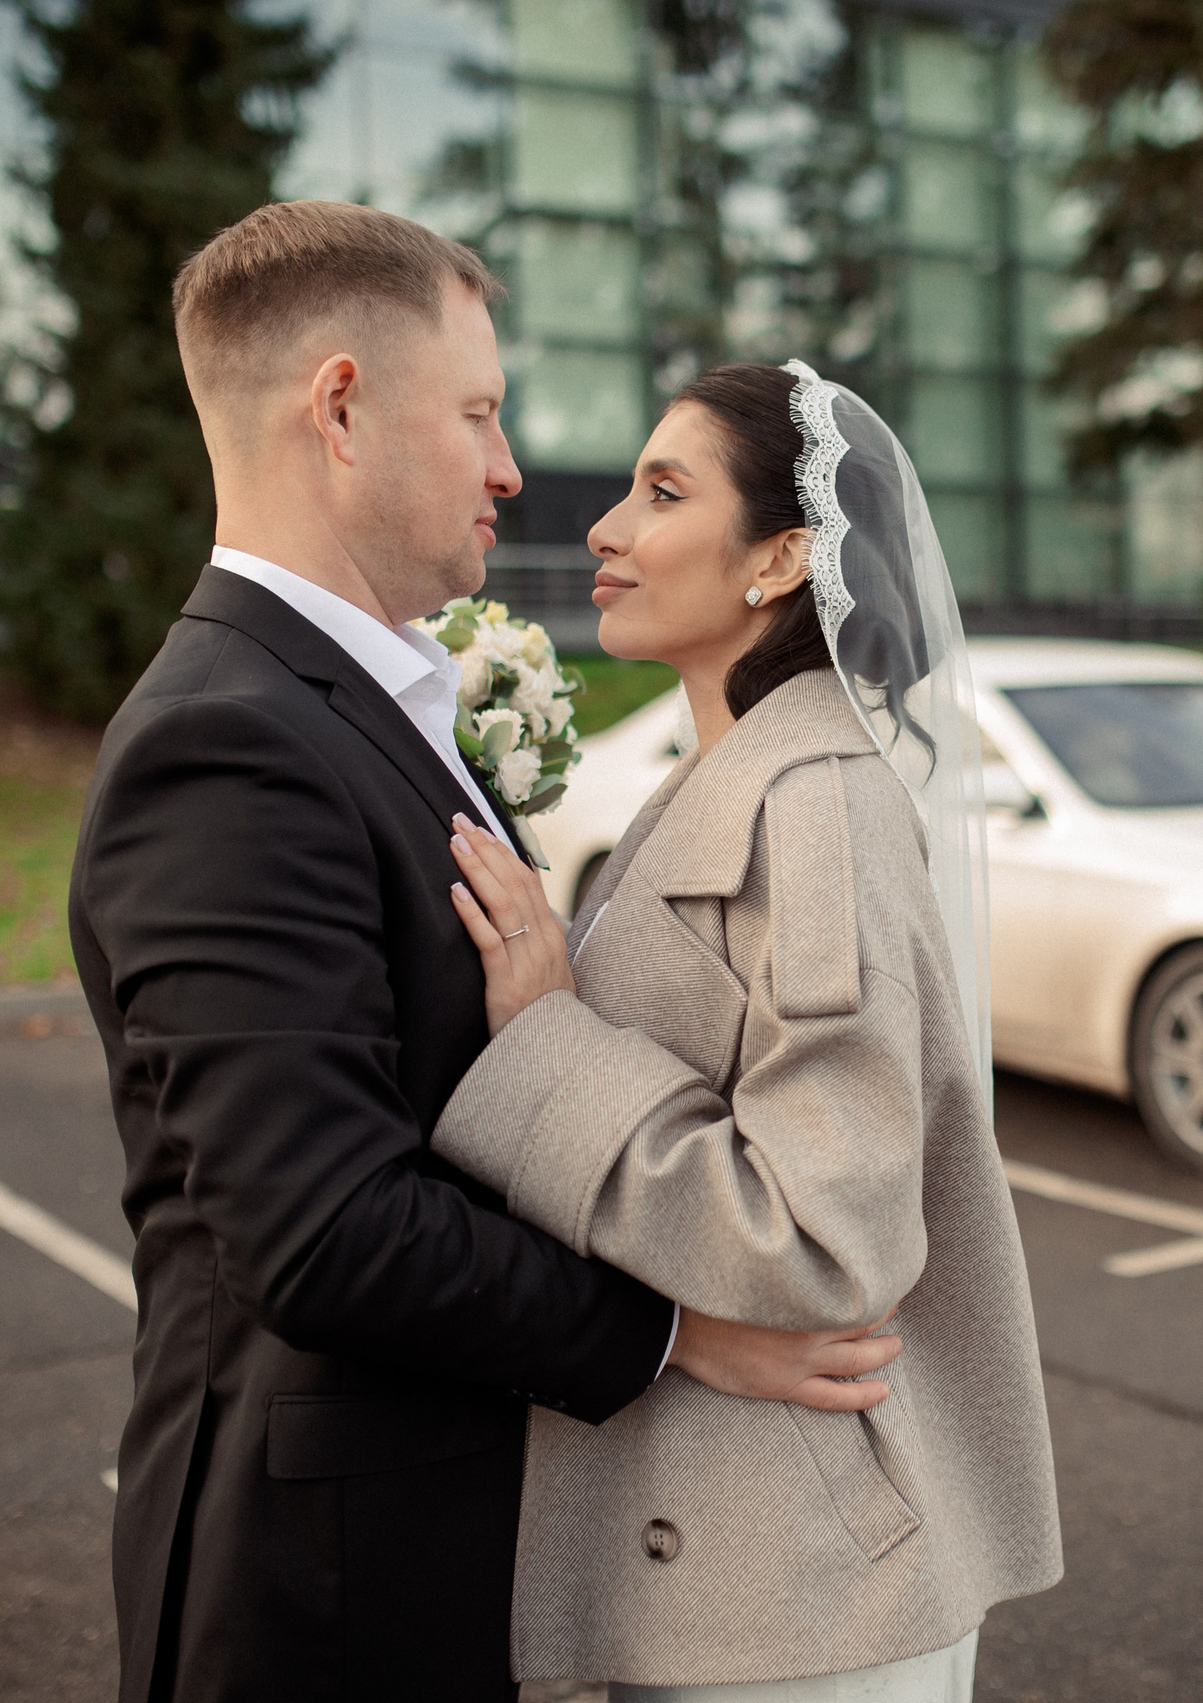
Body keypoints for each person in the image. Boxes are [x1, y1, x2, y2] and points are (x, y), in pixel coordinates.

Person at [69, 203, 903, 1703]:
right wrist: (668, 1332)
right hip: (326, 1604)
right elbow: (323, 1231)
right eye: (479, 413)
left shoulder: (351, 701)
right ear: (340, 409)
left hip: (433, 1555)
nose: (515, 470)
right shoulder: (225, 744)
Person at [434, 360, 1062, 1701]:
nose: (604, 528)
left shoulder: (813, 806)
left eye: (663, 491)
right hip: (734, 1556)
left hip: (798, 1597)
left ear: (780, 557)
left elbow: (826, 1232)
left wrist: (547, 1041)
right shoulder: (724, 779)